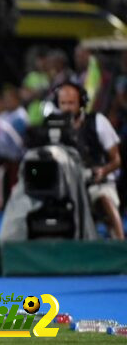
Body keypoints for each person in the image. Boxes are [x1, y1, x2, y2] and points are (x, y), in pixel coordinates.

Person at [55, 81, 124, 239]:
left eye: (71, 103)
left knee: (103, 199)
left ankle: (120, 243)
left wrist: (102, 171)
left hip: (98, 181)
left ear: (82, 103)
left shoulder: (98, 121)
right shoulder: (55, 126)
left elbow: (117, 160)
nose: (67, 108)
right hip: (69, 182)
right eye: (63, 103)